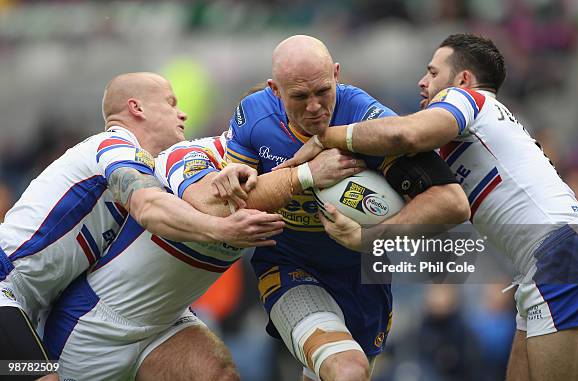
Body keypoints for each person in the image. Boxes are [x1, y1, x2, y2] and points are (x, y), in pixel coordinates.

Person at [279, 33, 578, 381]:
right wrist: (368, 235)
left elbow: (403, 135)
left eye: (433, 72)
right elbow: (428, 209)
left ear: (463, 79)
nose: (423, 82)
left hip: (566, 260)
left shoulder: (468, 99)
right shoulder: (471, 133)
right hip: (548, 264)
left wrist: (325, 137)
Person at [0, 72, 282, 379]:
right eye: (171, 103)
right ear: (137, 108)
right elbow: (148, 206)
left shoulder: (146, 164)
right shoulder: (114, 146)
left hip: (34, 305)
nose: (182, 112)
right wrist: (221, 228)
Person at [223, 35, 470, 381]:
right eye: (299, 96)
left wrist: (369, 239)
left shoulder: (368, 119)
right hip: (289, 266)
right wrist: (307, 175)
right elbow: (232, 205)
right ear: (274, 90)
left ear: (337, 74)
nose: (314, 107)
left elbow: (452, 203)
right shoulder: (253, 116)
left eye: (323, 91)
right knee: (347, 370)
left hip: (363, 277)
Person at [43, 131, 354, 380]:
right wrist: (304, 174)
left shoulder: (276, 184)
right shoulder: (193, 154)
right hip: (95, 326)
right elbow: (212, 203)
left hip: (166, 324)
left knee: (220, 374)